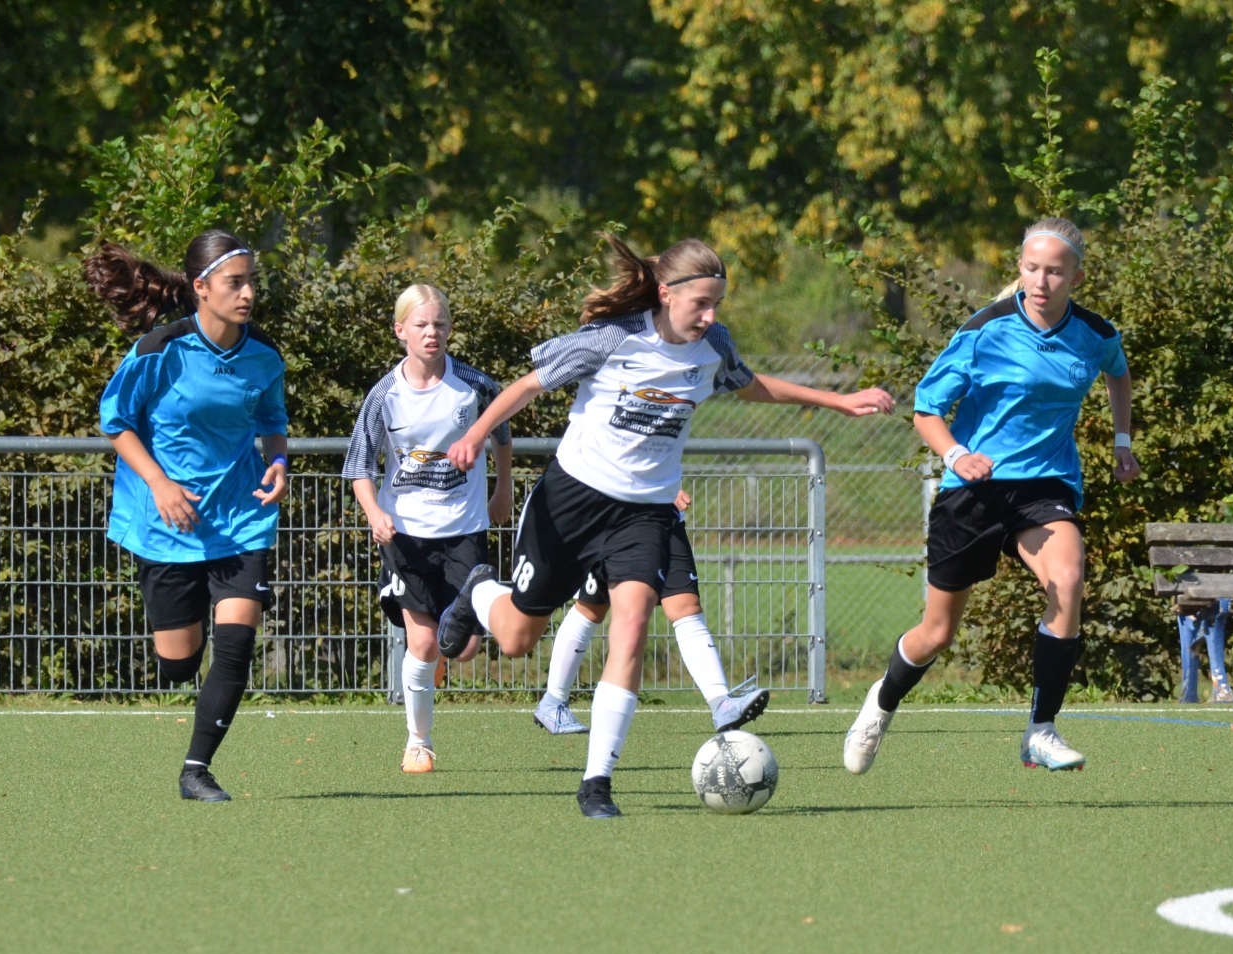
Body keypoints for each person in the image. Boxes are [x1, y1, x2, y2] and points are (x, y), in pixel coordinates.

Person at [434, 234, 894, 817]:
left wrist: (838, 401)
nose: (711, 316)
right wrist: (476, 435)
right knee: (518, 639)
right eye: (701, 303)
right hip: (572, 500)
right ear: (665, 293)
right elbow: (529, 385)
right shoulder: (613, 338)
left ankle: (597, 783)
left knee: (631, 625)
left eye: (717, 304)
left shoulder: (713, 347)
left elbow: (751, 385)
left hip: (644, 512)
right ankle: (478, 590)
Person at [842, 217, 1139, 776]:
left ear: (1076, 276)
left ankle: (1041, 730)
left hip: (1045, 485)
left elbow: (1117, 374)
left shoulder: (1096, 334)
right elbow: (927, 410)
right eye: (1032, 268)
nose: (1041, 281)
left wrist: (1123, 441)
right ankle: (880, 704)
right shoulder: (985, 329)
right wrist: (957, 455)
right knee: (937, 633)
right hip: (973, 489)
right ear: (1020, 268)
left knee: (1068, 579)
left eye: (1055, 271)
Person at [86, 230, 288, 802]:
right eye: (235, 283)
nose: (248, 293)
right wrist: (159, 483)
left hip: (241, 519)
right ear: (201, 287)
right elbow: (115, 421)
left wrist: (277, 462)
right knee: (178, 665)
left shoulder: (263, 354)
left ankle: (196, 771)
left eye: (251, 282)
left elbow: (272, 420)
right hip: (167, 527)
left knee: (236, 646)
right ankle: (186, 636)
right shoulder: (159, 350)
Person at [343, 284, 510, 774]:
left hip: (464, 529)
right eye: (420, 325)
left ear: (449, 328)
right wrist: (374, 513)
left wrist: (502, 488)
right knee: (421, 642)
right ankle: (419, 743)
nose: (431, 332)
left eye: (439, 323)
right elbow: (358, 466)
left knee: (465, 647)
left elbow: (501, 433)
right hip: (407, 535)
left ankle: (432, 664)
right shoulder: (384, 395)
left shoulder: (474, 385)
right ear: (401, 331)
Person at [529, 488, 766, 737]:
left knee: (686, 606)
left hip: (665, 520)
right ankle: (553, 703)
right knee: (591, 608)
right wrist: (652, 489)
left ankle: (721, 703)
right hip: (612, 518)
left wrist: (663, 488)